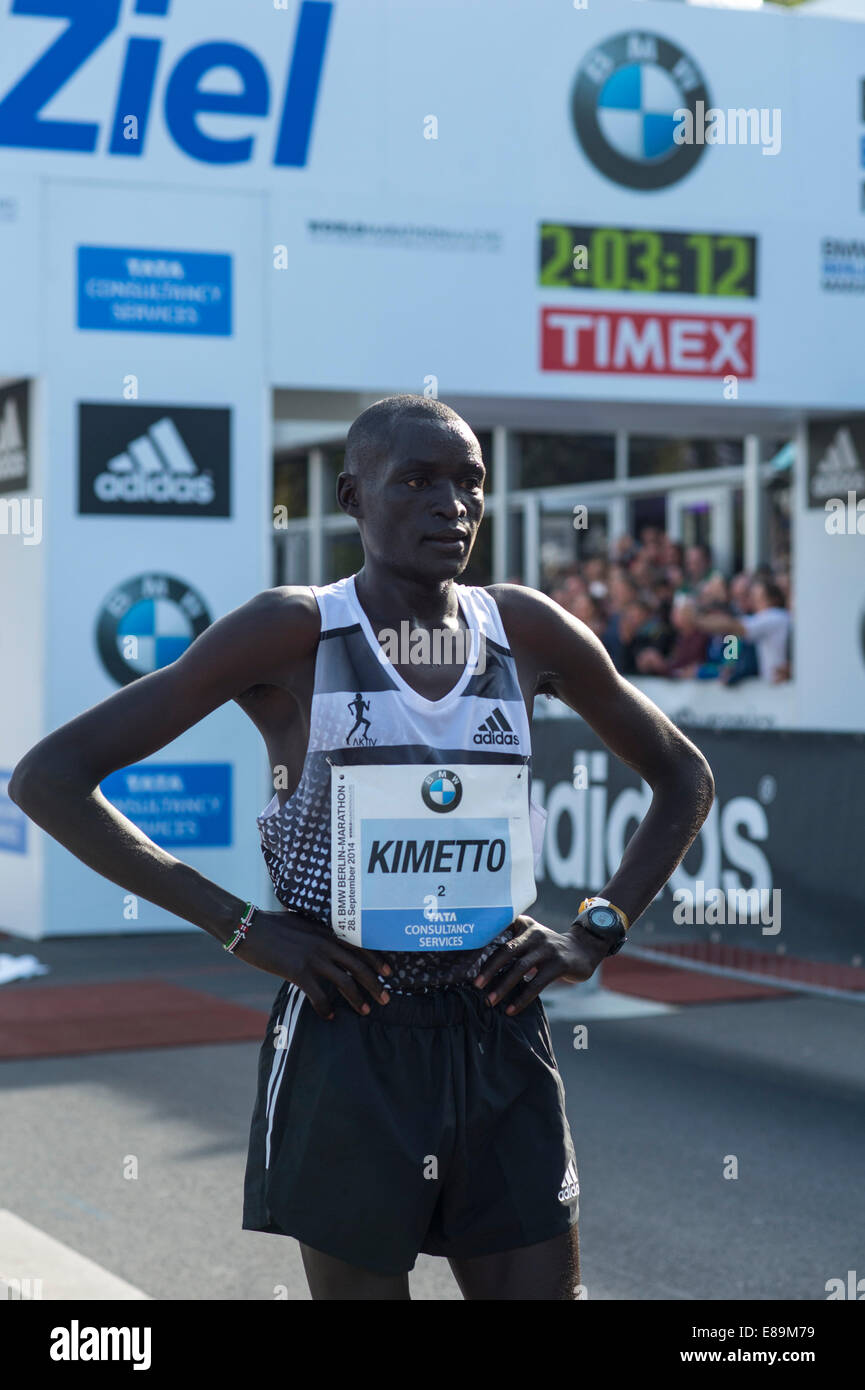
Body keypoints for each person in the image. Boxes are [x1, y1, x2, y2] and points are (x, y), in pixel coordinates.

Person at [8, 395, 715, 1301]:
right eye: (417, 480)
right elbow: (49, 778)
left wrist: (594, 930)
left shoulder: (522, 628)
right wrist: (237, 926)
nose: (450, 505)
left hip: (495, 1024)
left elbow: (683, 776)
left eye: (469, 484)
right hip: (349, 1034)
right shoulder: (294, 631)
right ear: (352, 495)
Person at [694, 576, 791, 683]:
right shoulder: (742, 621)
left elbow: (732, 628)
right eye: (738, 596)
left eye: (747, 595)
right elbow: (729, 661)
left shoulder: (771, 617)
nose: (748, 601)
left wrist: (695, 620)